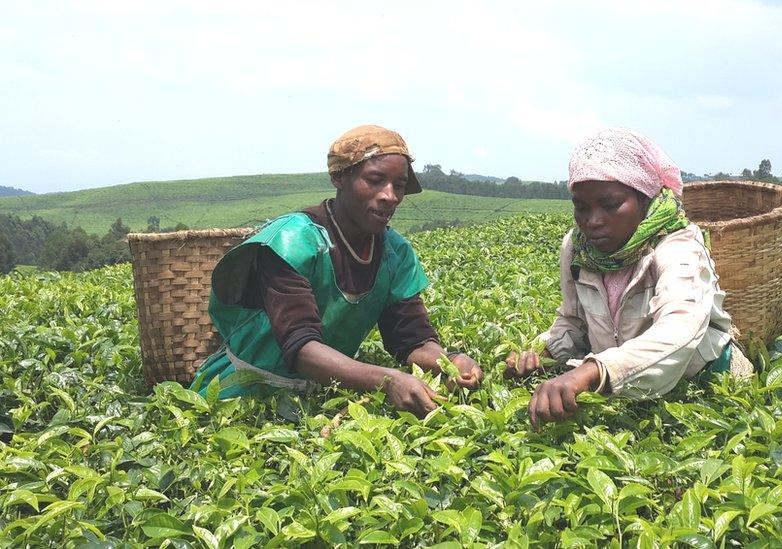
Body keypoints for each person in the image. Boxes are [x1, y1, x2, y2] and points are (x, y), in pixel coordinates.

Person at [191, 125, 483, 416]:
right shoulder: (292, 242)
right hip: (239, 399)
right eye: (375, 180)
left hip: (320, 401)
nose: (390, 196)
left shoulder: (394, 253)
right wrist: (386, 379)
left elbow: (411, 340)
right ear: (339, 177)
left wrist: (451, 360)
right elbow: (301, 348)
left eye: (399, 185)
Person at [505, 128, 752, 429]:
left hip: (707, 392)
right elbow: (572, 321)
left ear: (643, 199)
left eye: (610, 205)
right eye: (581, 207)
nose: (593, 221)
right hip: (624, 396)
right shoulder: (577, 249)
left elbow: (679, 331)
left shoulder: (676, 245)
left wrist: (592, 372)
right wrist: (539, 351)